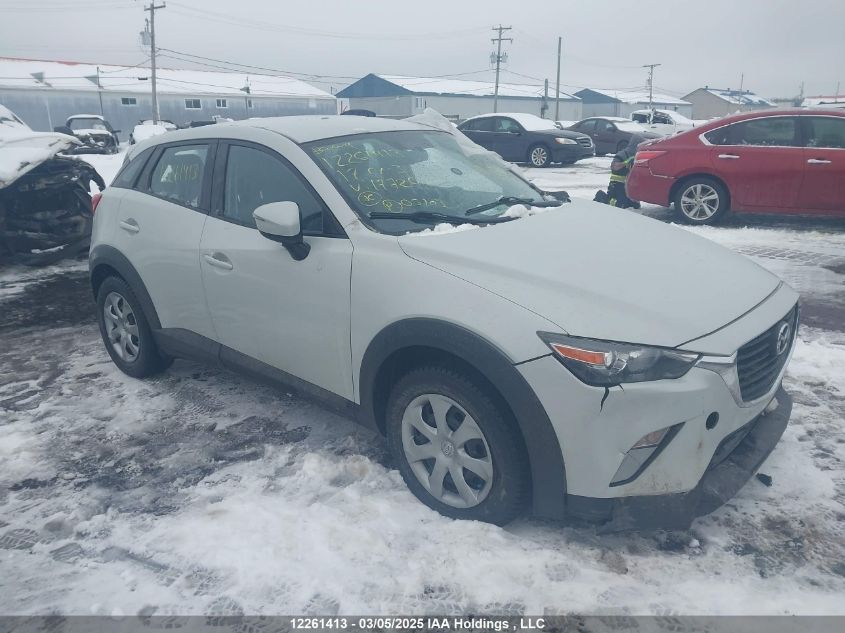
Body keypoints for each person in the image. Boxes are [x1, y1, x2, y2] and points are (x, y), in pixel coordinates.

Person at [593, 133, 646, 209]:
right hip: (616, 185)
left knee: (635, 206)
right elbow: (614, 166)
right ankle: (601, 196)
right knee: (619, 205)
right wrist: (626, 162)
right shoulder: (623, 154)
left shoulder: (637, 155)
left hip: (627, 186)